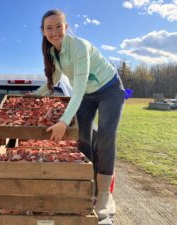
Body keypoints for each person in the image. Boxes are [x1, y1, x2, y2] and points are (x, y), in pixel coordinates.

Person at [33, 9, 125, 220]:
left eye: (59, 26)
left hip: (109, 89)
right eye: (49, 28)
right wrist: (36, 95)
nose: (55, 32)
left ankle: (104, 195)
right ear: (43, 31)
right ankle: (89, 184)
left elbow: (79, 88)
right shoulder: (53, 51)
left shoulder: (79, 47)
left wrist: (63, 121)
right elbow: (54, 77)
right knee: (83, 136)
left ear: (66, 27)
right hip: (87, 93)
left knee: (105, 136)